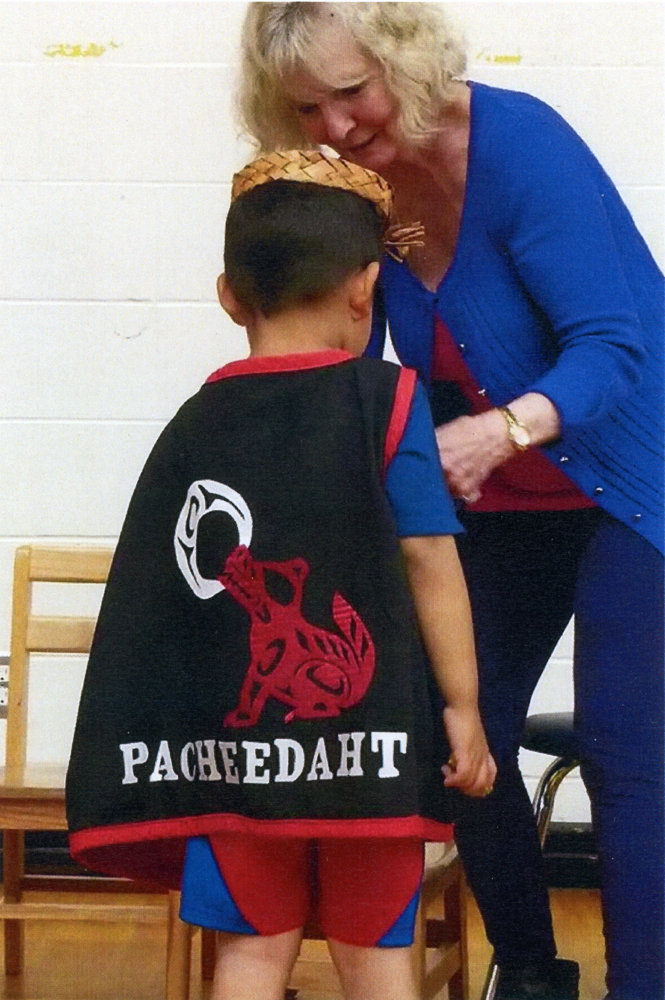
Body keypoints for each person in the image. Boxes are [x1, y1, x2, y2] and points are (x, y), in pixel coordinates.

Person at [237, 6, 665, 1000]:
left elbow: (609, 347)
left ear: (405, 61)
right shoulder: (362, 189)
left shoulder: (520, 149)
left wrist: (503, 427)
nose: (335, 125)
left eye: (353, 92)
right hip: (505, 493)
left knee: (618, 740)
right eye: (308, 106)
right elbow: (374, 354)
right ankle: (526, 972)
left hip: (631, 478)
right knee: (450, 729)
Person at [66, 148, 496, 1000]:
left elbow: (162, 607)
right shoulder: (391, 400)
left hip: (234, 766)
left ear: (228, 295)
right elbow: (427, 558)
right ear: (364, 287)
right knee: (375, 958)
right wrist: (464, 708)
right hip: (367, 752)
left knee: (252, 956)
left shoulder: (196, 422)